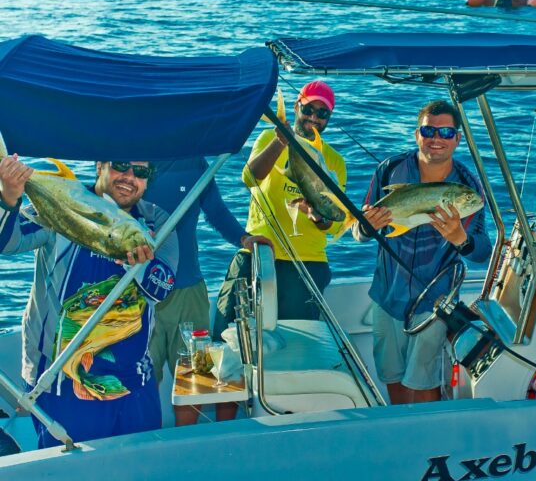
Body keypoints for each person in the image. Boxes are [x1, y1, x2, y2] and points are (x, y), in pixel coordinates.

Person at [0, 158, 178, 447]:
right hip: (61, 380)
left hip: (132, 383)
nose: (129, 177)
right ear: (99, 165)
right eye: (121, 165)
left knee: (137, 476)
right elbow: (7, 243)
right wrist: (8, 197)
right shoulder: (63, 203)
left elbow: (162, 289)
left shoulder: (160, 221)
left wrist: (139, 263)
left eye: (141, 172)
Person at [352, 100, 492, 405]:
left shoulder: (467, 187)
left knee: (423, 383)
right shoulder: (389, 170)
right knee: (392, 378)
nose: (436, 138)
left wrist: (461, 238)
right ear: (418, 134)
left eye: (445, 131)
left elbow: (482, 252)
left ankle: (428, 443)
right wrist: (365, 227)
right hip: (387, 295)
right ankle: (403, 438)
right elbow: (359, 232)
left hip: (435, 301)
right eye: (429, 130)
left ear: (457, 138)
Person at [213, 81, 346, 335]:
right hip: (258, 252)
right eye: (308, 109)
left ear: (329, 117)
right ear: (297, 106)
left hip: (306, 262)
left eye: (323, 113)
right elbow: (249, 179)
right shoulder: (268, 138)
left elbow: (336, 223)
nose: (314, 118)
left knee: (297, 345)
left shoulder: (335, 161)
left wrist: (317, 217)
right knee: (227, 332)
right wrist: (280, 142)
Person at [144, 157, 254, 426]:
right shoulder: (129, 162)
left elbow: (215, 211)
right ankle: (144, 445)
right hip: (138, 294)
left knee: (194, 375)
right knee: (141, 378)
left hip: (188, 292)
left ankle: (184, 442)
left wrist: (243, 238)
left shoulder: (195, 163)